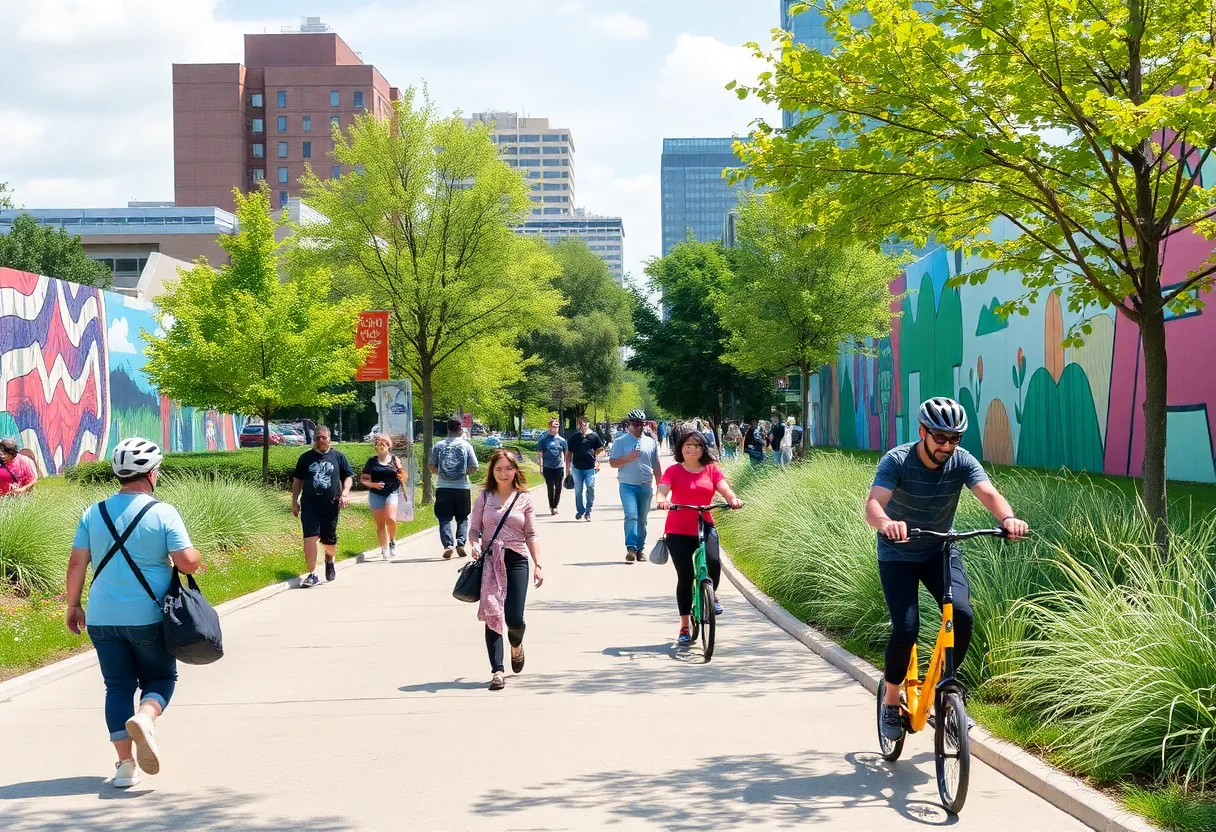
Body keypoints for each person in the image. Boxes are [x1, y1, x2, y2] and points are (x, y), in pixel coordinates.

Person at [866, 397, 1029, 741]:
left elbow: (988, 493)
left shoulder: (962, 461)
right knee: (907, 628)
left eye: (955, 439)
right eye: (940, 437)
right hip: (898, 555)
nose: (947, 446)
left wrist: (1008, 518)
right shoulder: (897, 460)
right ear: (923, 431)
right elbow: (874, 505)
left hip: (939, 549)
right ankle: (891, 700)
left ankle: (947, 691)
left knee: (963, 615)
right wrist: (887, 523)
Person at [64, 438, 204, 788]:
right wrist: (196, 555)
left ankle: (125, 766)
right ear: (153, 473)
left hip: (101, 616)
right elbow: (187, 562)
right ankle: (145, 716)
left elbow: (76, 563)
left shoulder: (92, 512)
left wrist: (73, 604)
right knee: (160, 679)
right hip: (148, 616)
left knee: (117, 686)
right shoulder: (162, 512)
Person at [657, 432, 742, 645]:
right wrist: (662, 500)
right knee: (685, 577)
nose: (692, 449)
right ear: (681, 448)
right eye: (688, 445)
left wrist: (732, 500)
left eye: (697, 445)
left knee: (713, 560)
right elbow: (662, 490)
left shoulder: (711, 470)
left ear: (703, 449)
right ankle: (685, 626)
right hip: (678, 529)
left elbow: (724, 489)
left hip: (704, 524)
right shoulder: (673, 471)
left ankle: (712, 594)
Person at [470, 449, 543, 691]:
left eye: (508, 468)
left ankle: (516, 646)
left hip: (516, 560)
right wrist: (474, 544)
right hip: (491, 561)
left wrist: (538, 565)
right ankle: (497, 671)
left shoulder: (524, 498)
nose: (503, 473)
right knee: (492, 616)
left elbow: (531, 534)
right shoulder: (484, 497)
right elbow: (473, 529)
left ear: (515, 471)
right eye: (499, 468)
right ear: (492, 470)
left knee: (514, 618)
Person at [291, 426, 354, 588]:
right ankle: (312, 574)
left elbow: (348, 477)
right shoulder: (305, 458)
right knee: (309, 537)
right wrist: (294, 500)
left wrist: (345, 494)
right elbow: (298, 480)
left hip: (331, 504)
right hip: (310, 504)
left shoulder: (338, 457)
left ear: (329, 438)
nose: (321, 440)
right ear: (314, 439)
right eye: (318, 438)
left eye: (324, 437)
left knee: (329, 540)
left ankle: (329, 559)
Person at [609, 408, 662, 563]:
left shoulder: (650, 442)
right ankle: (631, 548)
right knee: (631, 515)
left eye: (642, 423)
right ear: (629, 424)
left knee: (642, 519)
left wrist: (661, 486)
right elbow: (613, 463)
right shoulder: (620, 442)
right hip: (627, 485)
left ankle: (640, 548)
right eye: (636, 423)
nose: (639, 426)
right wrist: (629, 457)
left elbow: (656, 465)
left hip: (645, 485)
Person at [429, 417, 479, 559]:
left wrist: (442, 473)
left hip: (443, 487)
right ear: (460, 429)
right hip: (462, 487)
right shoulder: (466, 445)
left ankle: (448, 545)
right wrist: (463, 473)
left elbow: (431, 466)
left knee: (444, 518)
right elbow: (474, 467)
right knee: (462, 517)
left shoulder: (438, 445)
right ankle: (461, 543)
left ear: (448, 429)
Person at [360, 434, 406, 560]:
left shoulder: (395, 460)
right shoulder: (371, 462)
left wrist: (401, 475)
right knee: (380, 524)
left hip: (391, 492)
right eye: (379, 443)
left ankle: (392, 540)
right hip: (376, 494)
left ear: (389, 446)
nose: (382, 445)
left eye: (384, 443)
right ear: (376, 447)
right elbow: (363, 480)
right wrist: (373, 484)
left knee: (391, 518)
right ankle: (384, 548)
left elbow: (402, 474)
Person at [565, 415, 605, 521]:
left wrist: (597, 461)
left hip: (590, 468)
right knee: (578, 491)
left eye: (585, 422)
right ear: (578, 424)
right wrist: (567, 470)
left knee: (590, 488)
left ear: (588, 423)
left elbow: (601, 450)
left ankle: (588, 511)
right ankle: (580, 511)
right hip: (577, 468)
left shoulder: (594, 436)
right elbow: (568, 454)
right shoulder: (574, 437)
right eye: (580, 423)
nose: (583, 425)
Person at [535, 418, 569, 516]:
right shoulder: (544, 440)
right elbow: (540, 454)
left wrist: (568, 468)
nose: (555, 428)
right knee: (550, 487)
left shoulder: (562, 440)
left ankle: (555, 505)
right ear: (549, 427)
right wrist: (541, 466)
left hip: (559, 467)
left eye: (557, 426)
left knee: (558, 488)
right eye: (553, 426)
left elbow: (566, 455)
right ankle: (552, 506)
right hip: (547, 467)